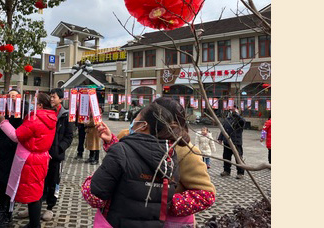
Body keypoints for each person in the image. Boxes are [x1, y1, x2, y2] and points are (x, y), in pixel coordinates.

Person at [82, 102, 216, 227]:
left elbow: (207, 194)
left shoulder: (182, 150)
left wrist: (163, 203)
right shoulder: (162, 149)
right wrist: (112, 142)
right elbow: (131, 159)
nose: (133, 122)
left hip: (167, 221)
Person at [0, 93, 57, 228]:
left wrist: (3, 121)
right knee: (36, 189)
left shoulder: (35, 119)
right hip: (41, 157)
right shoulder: (51, 117)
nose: (32, 105)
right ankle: (34, 223)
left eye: (34, 103)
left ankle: (35, 225)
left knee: (32, 192)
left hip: (30, 159)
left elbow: (16, 136)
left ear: (40, 105)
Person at [0, 89, 29, 228]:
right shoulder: (2, 110)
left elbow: (18, 133)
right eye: (9, 96)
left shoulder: (22, 112)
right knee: (0, 181)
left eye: (15, 96)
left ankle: (8, 214)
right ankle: (1, 209)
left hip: (12, 153)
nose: (11, 98)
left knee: (9, 184)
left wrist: (4, 120)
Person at [39, 88, 74, 221]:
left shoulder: (66, 115)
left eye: (53, 97)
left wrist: (59, 149)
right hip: (42, 153)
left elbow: (69, 136)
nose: (51, 99)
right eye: (50, 97)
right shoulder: (45, 112)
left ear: (61, 99)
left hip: (55, 156)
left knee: (53, 181)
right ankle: (35, 204)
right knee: (39, 180)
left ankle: (50, 208)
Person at [217, 105, 246, 179]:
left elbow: (243, 122)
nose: (232, 111)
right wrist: (220, 138)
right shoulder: (227, 119)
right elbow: (223, 129)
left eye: (234, 109)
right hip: (227, 142)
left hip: (236, 142)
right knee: (226, 157)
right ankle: (226, 171)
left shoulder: (239, 119)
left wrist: (237, 114)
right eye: (231, 109)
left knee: (238, 158)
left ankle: (240, 173)